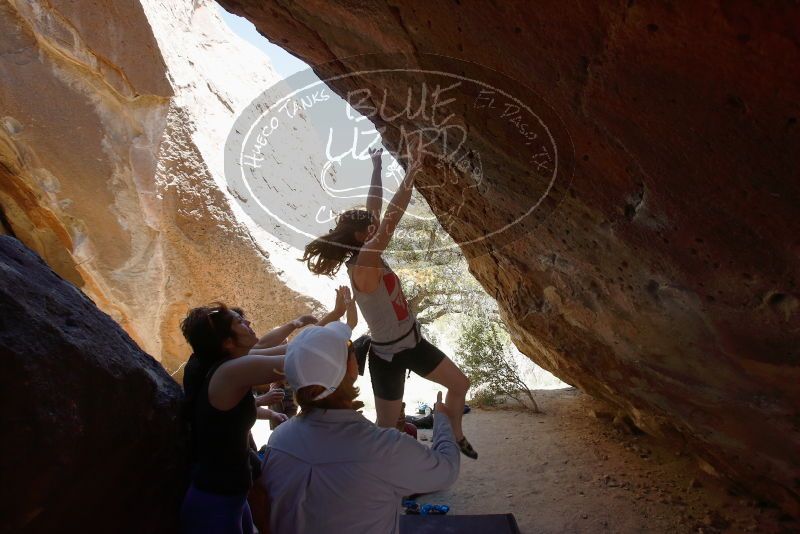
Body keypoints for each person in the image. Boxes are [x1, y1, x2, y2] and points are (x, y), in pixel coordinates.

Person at [301, 141, 478, 459]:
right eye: (370, 226)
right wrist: (411, 172)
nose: (376, 225)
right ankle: (378, 476)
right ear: (360, 237)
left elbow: (376, 206)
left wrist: (377, 167)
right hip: (387, 358)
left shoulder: (366, 252)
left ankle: (455, 433)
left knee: (460, 384)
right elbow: (391, 218)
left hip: (413, 343)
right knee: (386, 429)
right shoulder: (364, 263)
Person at [260, 319, 460, 534]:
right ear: (350, 369)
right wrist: (442, 419)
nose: (354, 352)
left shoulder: (279, 440)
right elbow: (447, 470)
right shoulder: (383, 448)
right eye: (349, 348)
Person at [179, 288, 352, 534]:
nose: (247, 322)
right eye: (239, 322)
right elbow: (298, 359)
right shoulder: (230, 372)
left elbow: (289, 349)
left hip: (229, 495)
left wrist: (334, 319)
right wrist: (341, 331)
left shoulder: (225, 364)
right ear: (227, 342)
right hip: (214, 505)